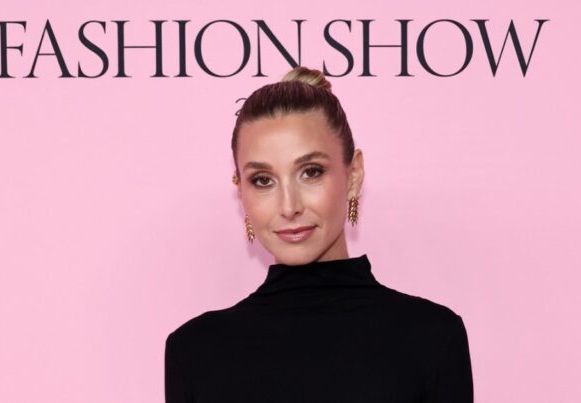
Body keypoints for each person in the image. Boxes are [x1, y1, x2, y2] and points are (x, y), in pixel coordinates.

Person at [164, 66, 474, 403]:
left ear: (353, 175)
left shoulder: (432, 338)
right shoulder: (193, 352)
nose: (289, 206)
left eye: (311, 172)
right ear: (241, 190)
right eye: (263, 180)